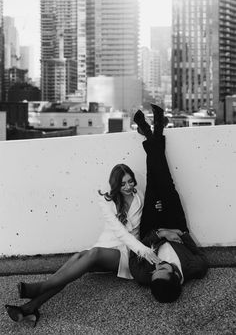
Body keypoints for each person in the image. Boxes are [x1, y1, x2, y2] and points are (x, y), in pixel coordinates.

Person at [5, 164, 159, 327]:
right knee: (77, 259)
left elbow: (145, 219)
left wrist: (156, 211)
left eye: (130, 181)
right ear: (115, 185)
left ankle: (41, 286)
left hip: (128, 252)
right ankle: (30, 308)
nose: (128, 186)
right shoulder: (106, 201)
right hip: (107, 247)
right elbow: (118, 231)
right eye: (123, 184)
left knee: (93, 253)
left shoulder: (140, 197)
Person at [129, 104, 208, 303]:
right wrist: (180, 234)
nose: (157, 265)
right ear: (177, 278)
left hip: (152, 228)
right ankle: (152, 130)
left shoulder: (143, 275)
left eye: (154, 271)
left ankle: (152, 131)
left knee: (153, 179)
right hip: (176, 223)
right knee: (165, 181)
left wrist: (159, 234)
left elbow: (133, 252)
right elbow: (197, 253)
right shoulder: (195, 268)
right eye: (163, 268)